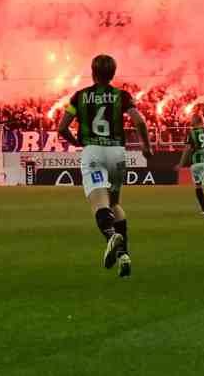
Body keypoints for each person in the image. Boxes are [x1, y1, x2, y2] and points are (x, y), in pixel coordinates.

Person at [58, 54, 153, 279]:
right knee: (115, 202)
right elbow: (139, 121)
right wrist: (146, 146)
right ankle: (124, 256)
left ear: (92, 72)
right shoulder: (122, 96)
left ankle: (112, 238)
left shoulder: (80, 97)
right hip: (117, 153)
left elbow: (62, 127)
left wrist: (77, 143)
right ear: (113, 73)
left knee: (99, 206)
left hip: (93, 152)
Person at [179, 115, 204, 216]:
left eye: (192, 119)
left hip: (196, 162)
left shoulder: (191, 133)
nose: (190, 121)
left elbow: (187, 149)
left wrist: (181, 163)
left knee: (198, 186)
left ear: (196, 121)